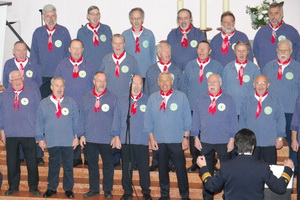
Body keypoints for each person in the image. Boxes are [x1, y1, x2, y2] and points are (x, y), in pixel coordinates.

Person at [197, 128, 294, 200]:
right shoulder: (262, 167)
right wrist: (288, 169)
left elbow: (211, 186)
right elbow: (280, 188)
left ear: (236, 146)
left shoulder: (227, 166)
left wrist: (203, 168)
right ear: (253, 146)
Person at [145, 71, 191, 200]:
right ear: (158, 83)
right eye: (162, 81)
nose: (165, 83)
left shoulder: (181, 97)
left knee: (181, 170)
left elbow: (187, 119)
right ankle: (164, 196)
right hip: (159, 140)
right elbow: (148, 120)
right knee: (162, 169)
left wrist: (186, 138)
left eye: (167, 80)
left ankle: (185, 195)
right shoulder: (153, 98)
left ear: (172, 82)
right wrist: (151, 138)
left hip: (177, 140)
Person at [191, 73, 238, 200]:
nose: (212, 84)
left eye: (215, 82)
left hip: (224, 142)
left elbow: (234, 121)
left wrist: (232, 139)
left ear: (220, 83)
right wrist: (195, 137)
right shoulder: (200, 99)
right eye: (209, 82)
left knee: (226, 170)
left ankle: (227, 195)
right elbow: (195, 120)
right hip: (205, 141)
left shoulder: (229, 99)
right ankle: (207, 197)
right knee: (206, 170)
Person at [54, 39, 97, 167]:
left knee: (87, 130)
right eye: (74, 48)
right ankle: (74, 157)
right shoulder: (62, 66)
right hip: (68, 105)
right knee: (71, 130)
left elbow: (93, 86)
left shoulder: (90, 66)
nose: (77, 51)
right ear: (69, 49)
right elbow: (57, 85)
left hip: (85, 105)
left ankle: (89, 157)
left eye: (79, 48)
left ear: (83, 50)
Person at [183, 40, 223, 172]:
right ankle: (196, 161)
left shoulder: (217, 66)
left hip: (211, 106)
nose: (201, 51)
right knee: (195, 134)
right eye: (199, 48)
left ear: (210, 51)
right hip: (193, 107)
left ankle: (211, 161)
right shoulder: (190, 66)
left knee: (209, 136)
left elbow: (221, 86)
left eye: (205, 49)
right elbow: (185, 86)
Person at [36, 77, 79, 198]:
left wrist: (76, 137)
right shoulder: (44, 103)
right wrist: (40, 138)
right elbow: (39, 122)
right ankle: (51, 188)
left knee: (68, 166)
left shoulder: (71, 102)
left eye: (61, 86)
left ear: (64, 88)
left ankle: (68, 189)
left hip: (68, 140)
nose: (59, 89)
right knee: (53, 165)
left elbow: (76, 121)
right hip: (52, 139)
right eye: (57, 86)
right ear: (51, 87)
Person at [0, 71, 41, 196]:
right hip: (11, 133)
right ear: (10, 81)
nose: (17, 81)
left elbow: (38, 114)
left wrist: (38, 133)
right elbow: (1, 114)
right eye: (14, 79)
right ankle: (13, 186)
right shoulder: (4, 95)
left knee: (32, 162)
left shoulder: (33, 92)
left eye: (19, 78)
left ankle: (33, 187)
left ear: (22, 78)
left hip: (29, 133)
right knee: (12, 161)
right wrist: (2, 130)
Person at [111, 75, 152, 200]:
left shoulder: (148, 100)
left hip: (142, 140)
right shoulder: (122, 100)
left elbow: (152, 121)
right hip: (126, 140)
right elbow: (116, 119)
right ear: (130, 84)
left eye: (139, 84)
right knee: (126, 168)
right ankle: (127, 192)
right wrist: (116, 136)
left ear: (142, 86)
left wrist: (151, 138)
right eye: (134, 83)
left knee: (144, 168)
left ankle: (146, 192)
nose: (136, 87)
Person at [262, 39, 300, 173]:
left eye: (286, 50)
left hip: (292, 113)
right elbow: (262, 90)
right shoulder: (268, 67)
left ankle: (293, 170)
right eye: (280, 50)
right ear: (276, 51)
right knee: (270, 143)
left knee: (293, 142)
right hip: (272, 113)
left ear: (291, 52)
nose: (283, 52)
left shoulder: (297, 68)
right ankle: (268, 170)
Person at [78, 72, 117, 199]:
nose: (102, 83)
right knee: (92, 166)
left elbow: (116, 119)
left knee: (108, 166)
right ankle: (94, 189)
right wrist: (81, 134)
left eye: (104, 81)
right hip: (90, 138)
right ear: (94, 81)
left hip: (107, 138)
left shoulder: (113, 97)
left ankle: (107, 190)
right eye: (99, 81)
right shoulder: (86, 97)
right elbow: (82, 117)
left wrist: (115, 135)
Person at [239, 75, 286, 165]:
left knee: (270, 168)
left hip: (269, 142)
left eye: (264, 83)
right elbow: (242, 120)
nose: (261, 86)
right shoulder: (247, 99)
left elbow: (280, 119)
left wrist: (279, 138)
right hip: (252, 143)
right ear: (254, 85)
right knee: (252, 169)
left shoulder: (275, 99)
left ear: (268, 85)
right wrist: (244, 139)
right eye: (258, 83)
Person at [30, 4, 71, 98]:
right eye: (48, 16)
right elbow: (34, 54)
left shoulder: (64, 32)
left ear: (56, 17)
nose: (51, 19)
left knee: (60, 103)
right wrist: (37, 72)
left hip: (60, 75)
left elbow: (69, 53)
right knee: (44, 103)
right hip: (43, 76)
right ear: (44, 17)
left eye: (53, 16)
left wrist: (64, 70)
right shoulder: (38, 33)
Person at [253, 2, 300, 71]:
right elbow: (256, 51)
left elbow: (298, 51)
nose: (273, 16)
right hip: (267, 72)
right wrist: (262, 65)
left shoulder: (291, 32)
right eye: (271, 13)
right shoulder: (261, 32)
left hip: (288, 73)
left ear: (282, 14)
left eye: (276, 13)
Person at [222, 41, 260, 116]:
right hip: (231, 109)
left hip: (248, 109)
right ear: (235, 52)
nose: (241, 53)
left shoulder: (254, 69)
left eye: (244, 51)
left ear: (248, 52)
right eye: (239, 51)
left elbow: (258, 89)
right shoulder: (227, 68)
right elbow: (223, 89)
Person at [122, 7, 156, 80]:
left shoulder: (149, 34)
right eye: (134, 18)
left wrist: (153, 71)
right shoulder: (125, 34)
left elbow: (153, 55)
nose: (136, 21)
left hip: (146, 73)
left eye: (139, 18)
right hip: (130, 73)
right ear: (130, 20)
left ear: (142, 19)